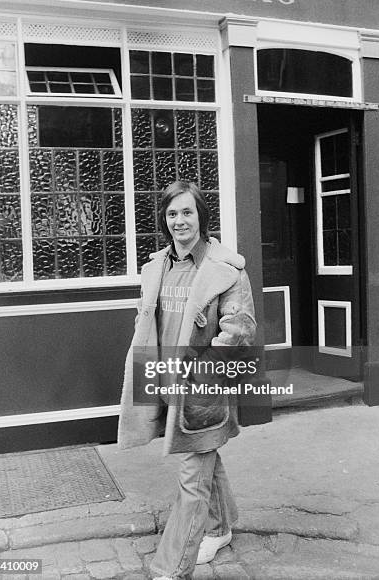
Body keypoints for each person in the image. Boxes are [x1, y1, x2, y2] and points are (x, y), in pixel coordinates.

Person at [118, 180, 256, 579]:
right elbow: (148, 320)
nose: (180, 221)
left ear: (201, 216)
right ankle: (220, 527)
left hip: (200, 388)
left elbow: (239, 332)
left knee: (192, 476)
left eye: (187, 212)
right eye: (172, 213)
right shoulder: (157, 266)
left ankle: (170, 569)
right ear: (165, 219)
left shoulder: (226, 270)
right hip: (162, 380)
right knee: (205, 454)